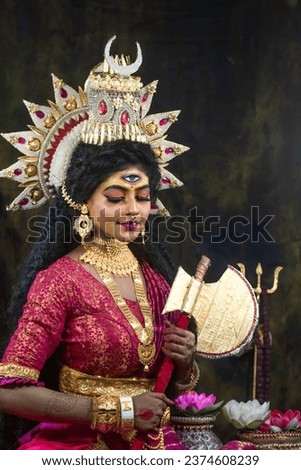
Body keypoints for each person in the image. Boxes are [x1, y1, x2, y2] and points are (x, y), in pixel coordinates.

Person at [0, 37, 199, 450]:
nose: (132, 209)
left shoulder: (158, 280)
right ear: (81, 199)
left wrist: (183, 365)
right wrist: (118, 411)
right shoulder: (60, 281)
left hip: (156, 445)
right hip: (74, 446)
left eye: (142, 197)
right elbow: (8, 390)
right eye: (115, 197)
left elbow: (163, 395)